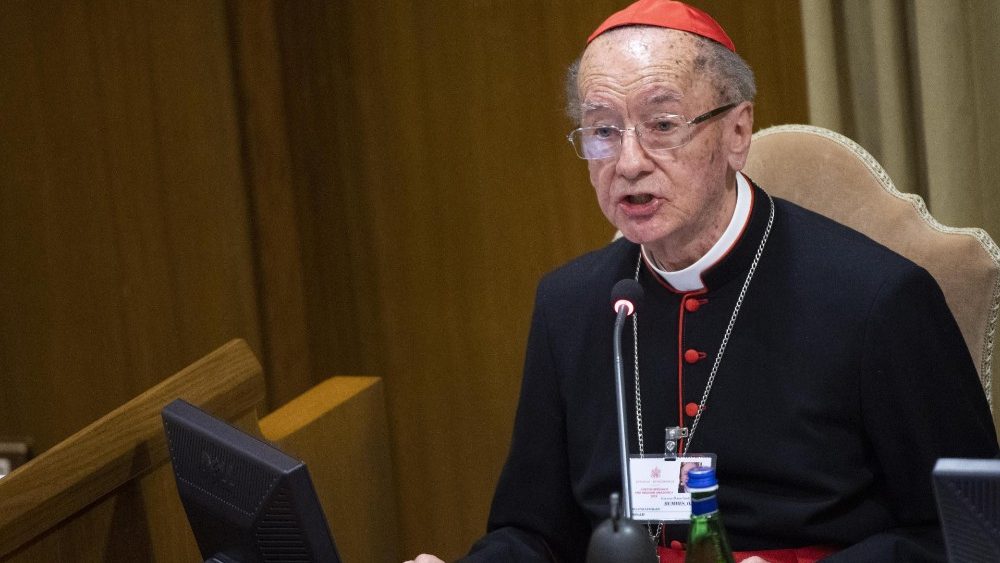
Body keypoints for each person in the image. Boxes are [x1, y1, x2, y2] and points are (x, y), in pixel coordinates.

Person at [407, 1, 999, 562]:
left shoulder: (878, 301)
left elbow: (970, 535)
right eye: (603, 131)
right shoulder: (570, 305)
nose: (630, 161)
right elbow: (534, 531)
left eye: (662, 124)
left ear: (737, 132)